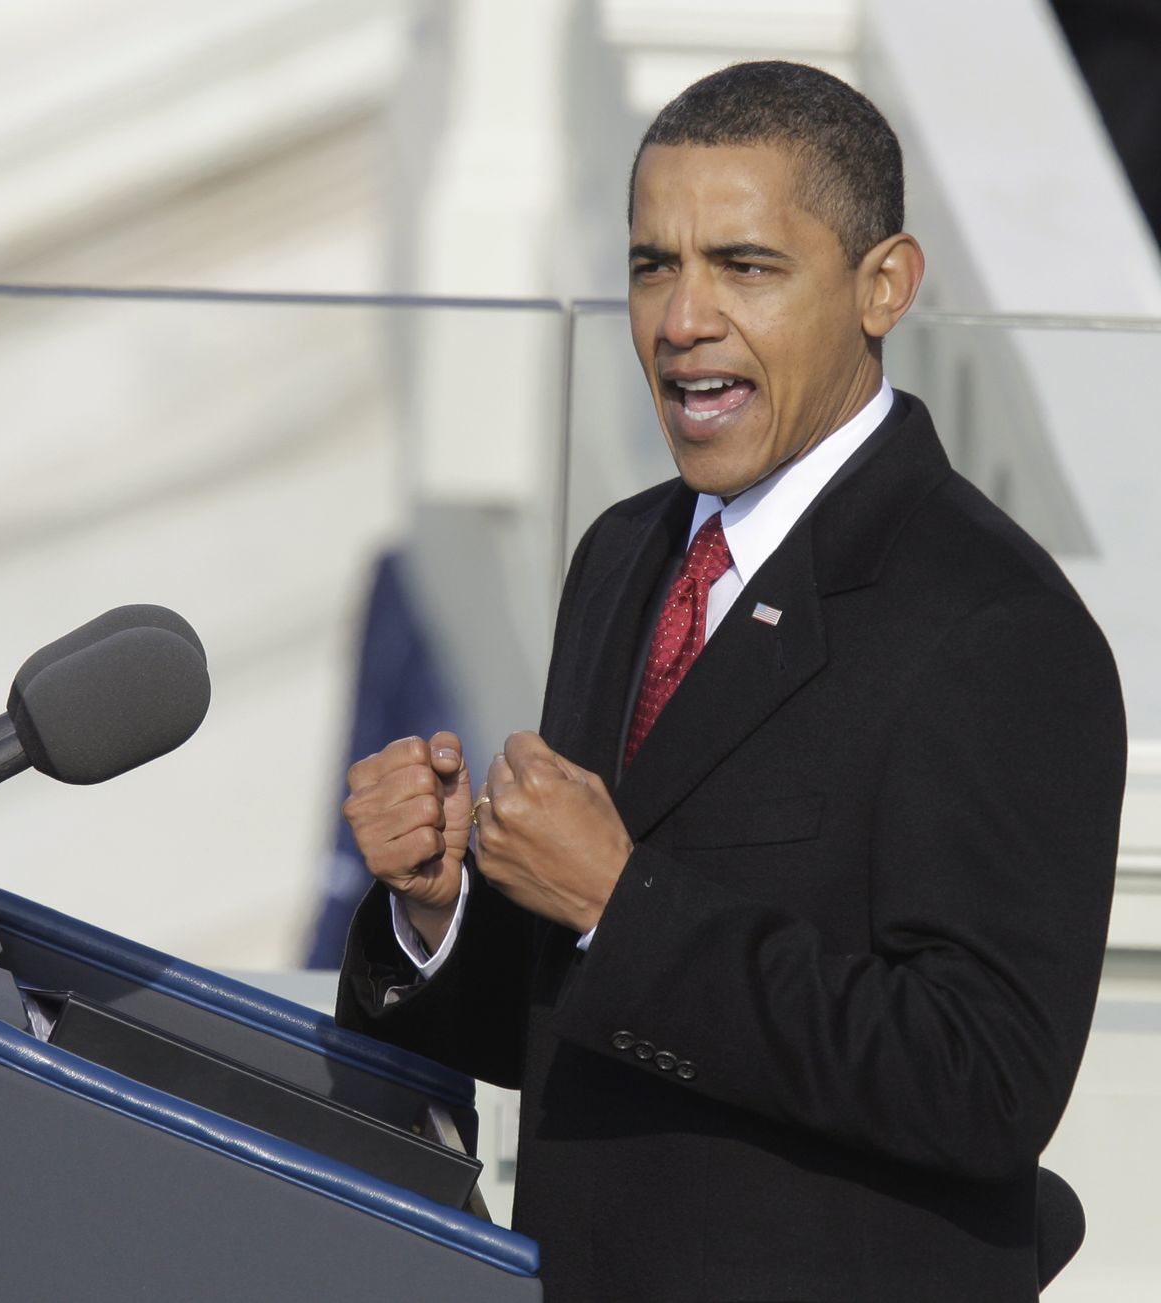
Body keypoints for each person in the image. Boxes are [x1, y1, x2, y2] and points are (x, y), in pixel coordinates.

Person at [335, 61, 1126, 1303]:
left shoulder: (996, 625)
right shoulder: (623, 556)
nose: (682, 316)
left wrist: (617, 901)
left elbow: (982, 1080)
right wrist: (440, 911)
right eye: (655, 264)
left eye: (745, 266)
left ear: (885, 286)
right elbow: (574, 1020)